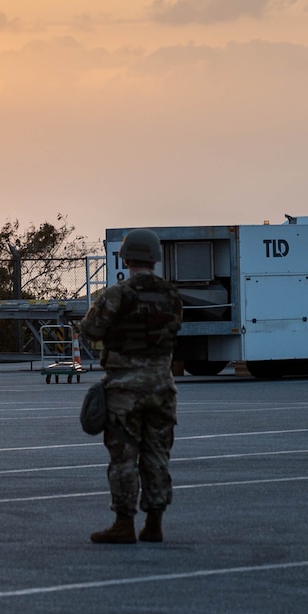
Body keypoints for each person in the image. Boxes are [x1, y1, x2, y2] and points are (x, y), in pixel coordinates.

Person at [79, 229, 183, 544]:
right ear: (154, 258)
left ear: (126, 258)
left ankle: (123, 523)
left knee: (124, 456)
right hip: (162, 387)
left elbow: (90, 329)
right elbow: (174, 329)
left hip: (125, 389)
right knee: (157, 454)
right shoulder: (172, 295)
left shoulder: (117, 295)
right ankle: (154, 523)